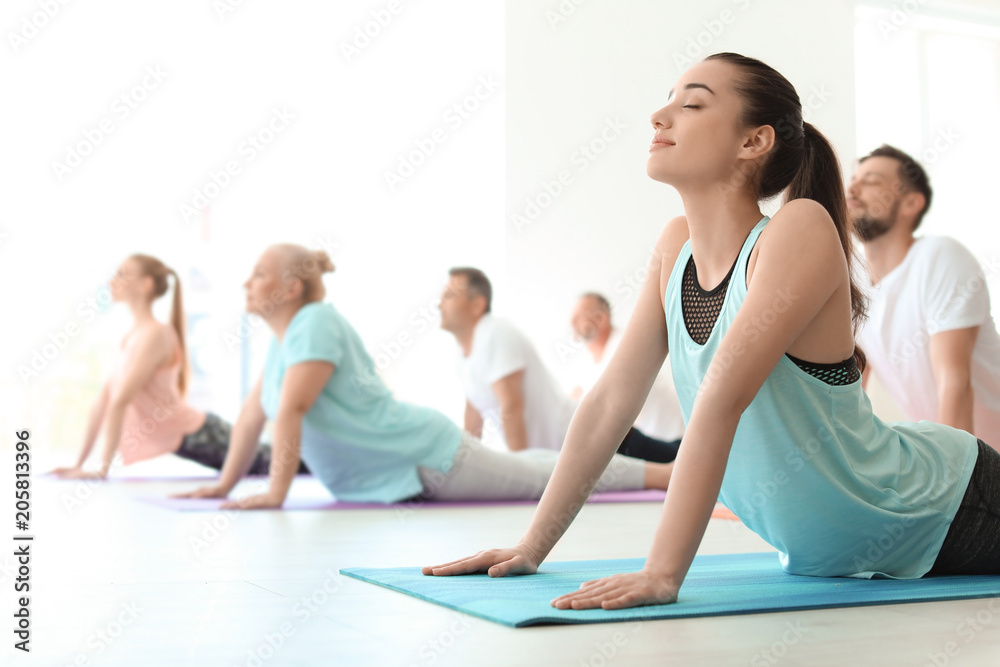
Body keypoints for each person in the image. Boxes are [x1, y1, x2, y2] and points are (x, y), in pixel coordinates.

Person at [424, 53, 1000, 609]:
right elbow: (608, 403)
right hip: (855, 545)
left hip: (948, 502)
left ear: (754, 141)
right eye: (667, 100)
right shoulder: (674, 247)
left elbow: (722, 399)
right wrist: (531, 547)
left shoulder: (798, 229)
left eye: (692, 105)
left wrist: (662, 573)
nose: (660, 115)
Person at [176, 245, 673, 509]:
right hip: (409, 464)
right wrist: (225, 485)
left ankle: (663, 474)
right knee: (540, 466)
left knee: (543, 479)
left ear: (291, 286)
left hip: (428, 458)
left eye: (259, 273)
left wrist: (275, 492)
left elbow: (291, 410)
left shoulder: (315, 322)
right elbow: (250, 415)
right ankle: (663, 470)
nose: (247, 281)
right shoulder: (285, 343)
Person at [52, 254, 289, 479]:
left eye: (123, 274)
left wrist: (102, 469)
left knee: (285, 463)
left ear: (145, 284)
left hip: (201, 433)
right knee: (281, 460)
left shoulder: (156, 335)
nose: (113, 280)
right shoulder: (130, 337)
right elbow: (103, 401)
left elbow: (120, 401)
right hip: (190, 437)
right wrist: (79, 465)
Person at [439, 268, 679, 463]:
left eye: (449, 295)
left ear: (477, 305)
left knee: (677, 462)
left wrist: (521, 471)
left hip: (602, 440)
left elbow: (511, 405)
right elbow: (473, 419)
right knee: (675, 462)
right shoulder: (463, 355)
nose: (439, 304)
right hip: (580, 445)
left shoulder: (495, 332)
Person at [848, 145, 1000, 451]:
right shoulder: (856, 283)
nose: (852, 188)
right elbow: (852, 396)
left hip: (982, 464)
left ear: (910, 203)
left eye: (873, 181)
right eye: (853, 179)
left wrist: (962, 487)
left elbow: (954, 382)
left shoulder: (939, 257)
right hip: (952, 460)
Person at [569, 292, 685, 443]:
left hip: (672, 439)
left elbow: (605, 407)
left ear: (602, 318)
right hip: (653, 441)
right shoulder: (592, 363)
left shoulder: (623, 349)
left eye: (580, 317)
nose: (572, 323)